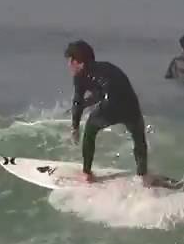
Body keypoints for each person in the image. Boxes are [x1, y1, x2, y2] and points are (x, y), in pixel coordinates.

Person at [64, 40, 152, 186]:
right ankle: (143, 175)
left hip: (111, 104)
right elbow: (105, 90)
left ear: (76, 61)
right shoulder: (107, 67)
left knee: (90, 129)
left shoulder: (80, 76)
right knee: (138, 137)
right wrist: (88, 104)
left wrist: (75, 127)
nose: (69, 65)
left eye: (70, 61)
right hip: (131, 102)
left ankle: (86, 173)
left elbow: (77, 102)